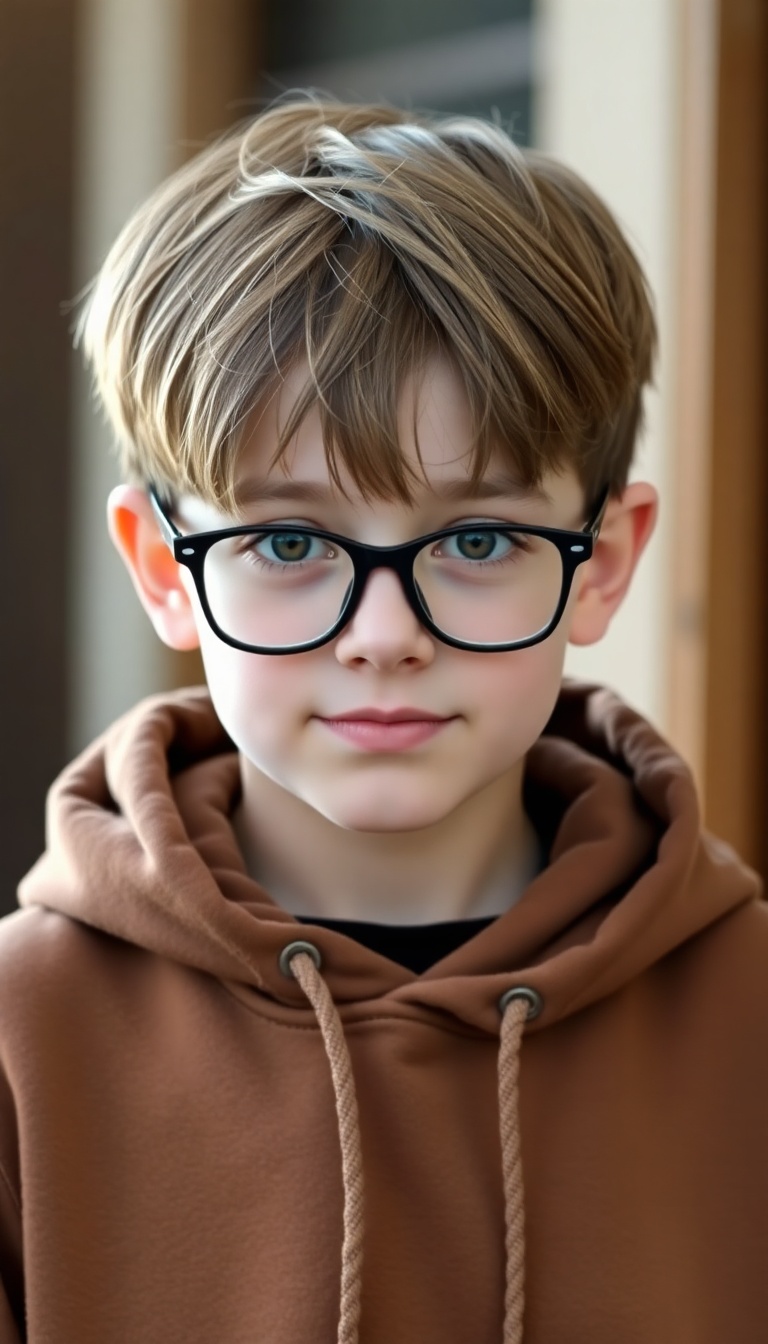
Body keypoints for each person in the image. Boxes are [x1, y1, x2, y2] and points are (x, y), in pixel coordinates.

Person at [1, 97, 765, 1344]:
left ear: (603, 560)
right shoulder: (23, 1035)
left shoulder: (748, 1011)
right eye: (290, 540)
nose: (383, 633)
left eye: (475, 539)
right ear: (163, 570)